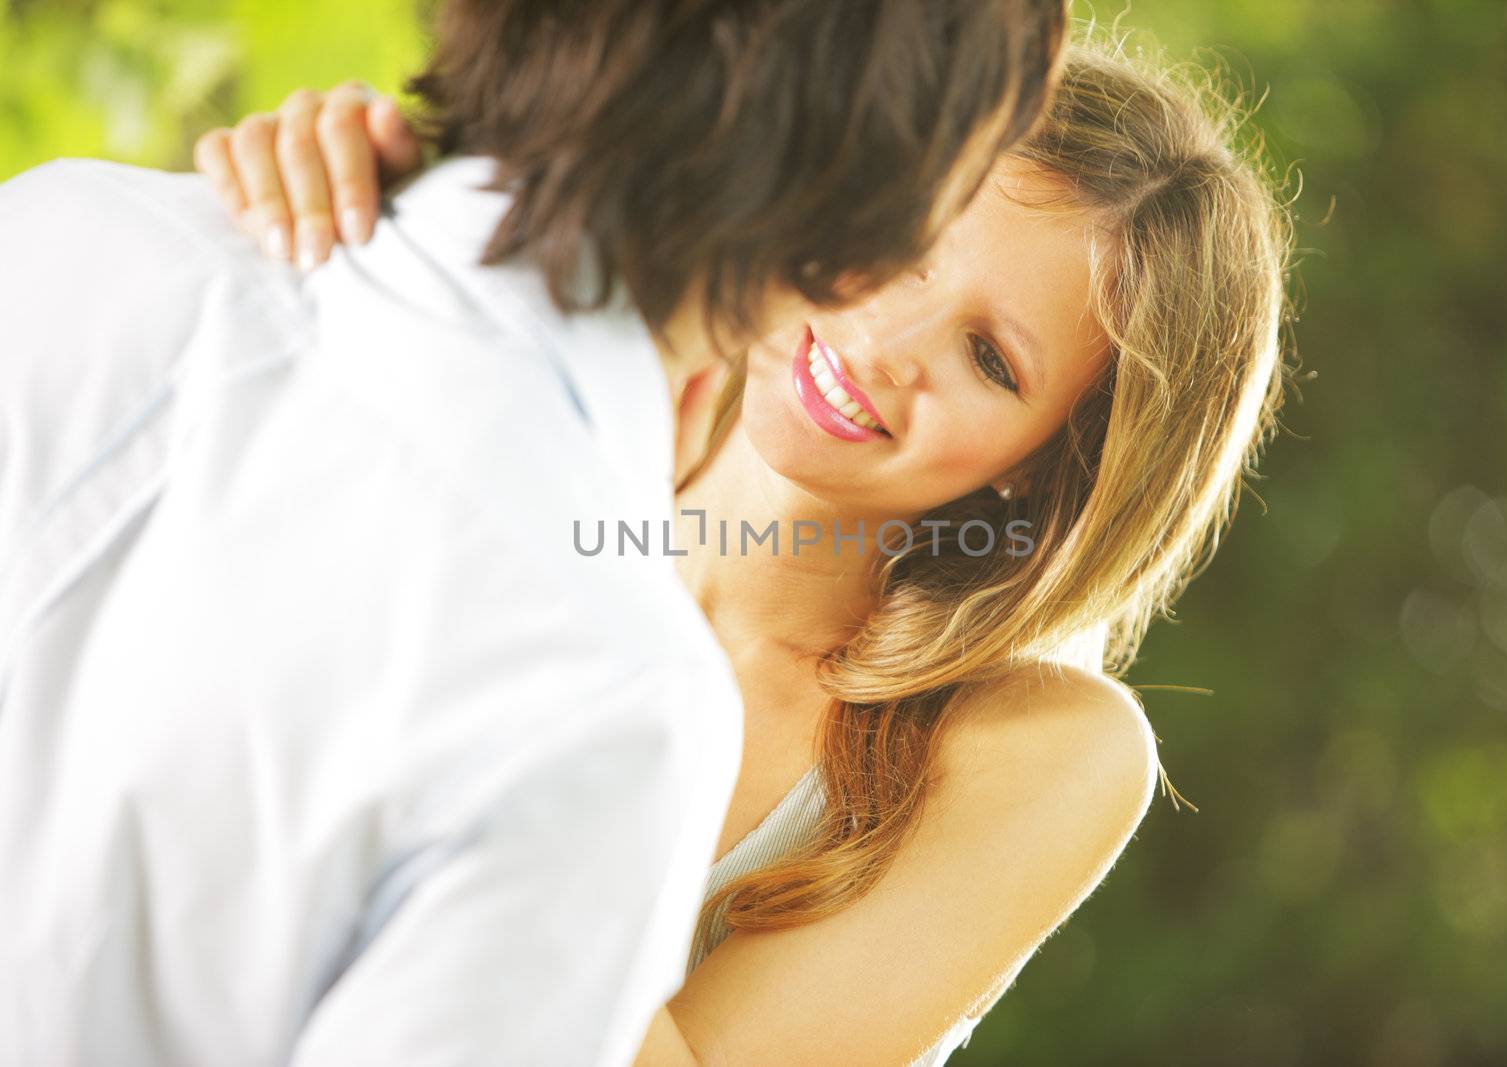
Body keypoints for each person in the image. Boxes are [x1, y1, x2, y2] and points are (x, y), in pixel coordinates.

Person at [195, 23, 1298, 1066]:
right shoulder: (541, 365)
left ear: (1048, 464)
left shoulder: (1042, 749)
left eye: (989, 357)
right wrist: (315, 218)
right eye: (909, 237)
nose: (884, 342)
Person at [0, 2, 1072, 1065]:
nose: (895, 340)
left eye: (990, 354)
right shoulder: (612, 696)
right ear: (867, 241)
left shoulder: (60, 227)